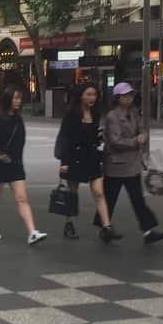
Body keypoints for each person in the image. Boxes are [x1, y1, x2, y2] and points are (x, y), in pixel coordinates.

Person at [96, 83, 163, 245]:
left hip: (132, 164)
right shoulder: (112, 116)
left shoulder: (134, 113)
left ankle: (148, 231)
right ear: (117, 98)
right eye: (124, 95)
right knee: (109, 198)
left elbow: (141, 129)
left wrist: (143, 134)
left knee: (138, 199)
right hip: (116, 165)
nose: (128, 98)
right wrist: (136, 140)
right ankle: (104, 227)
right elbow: (115, 141)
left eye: (130, 95)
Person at [57, 83, 121, 244]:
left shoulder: (96, 113)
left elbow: (94, 136)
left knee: (99, 192)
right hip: (74, 156)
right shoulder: (71, 114)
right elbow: (65, 137)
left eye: (94, 95)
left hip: (91, 156)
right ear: (81, 96)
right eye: (89, 94)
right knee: (73, 193)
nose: (92, 98)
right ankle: (69, 223)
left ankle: (106, 226)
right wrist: (64, 161)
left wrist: (100, 137)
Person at [0, 87, 48, 245]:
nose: (18, 101)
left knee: (22, 198)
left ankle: (32, 231)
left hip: (15, 164)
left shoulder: (18, 119)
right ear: (8, 99)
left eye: (20, 98)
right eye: (15, 98)